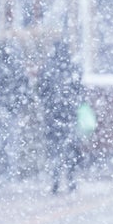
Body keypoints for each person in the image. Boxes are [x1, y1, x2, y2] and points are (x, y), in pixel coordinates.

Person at [38, 41, 82, 193]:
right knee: (69, 148)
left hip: (52, 115)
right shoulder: (72, 67)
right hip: (69, 114)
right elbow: (79, 88)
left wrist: (48, 105)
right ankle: (70, 180)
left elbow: (41, 89)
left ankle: (55, 181)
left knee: (54, 149)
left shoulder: (49, 67)